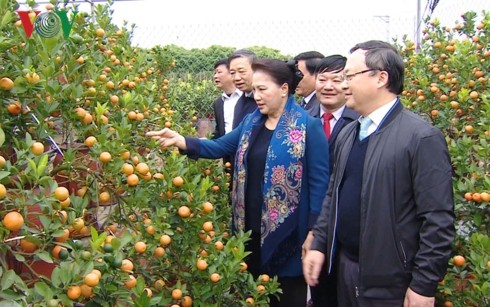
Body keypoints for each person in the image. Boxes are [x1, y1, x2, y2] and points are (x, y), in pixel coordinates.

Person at [147, 59, 330, 307]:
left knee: (285, 297)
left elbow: (320, 185)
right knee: (251, 295)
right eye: (254, 90)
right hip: (248, 230)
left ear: (284, 89)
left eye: (263, 89)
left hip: (288, 237)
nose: (256, 96)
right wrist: (183, 141)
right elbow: (220, 146)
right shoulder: (251, 123)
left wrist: (313, 233)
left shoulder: (309, 127)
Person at [303, 40, 455, 307]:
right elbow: (333, 195)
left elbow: (437, 219)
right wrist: (319, 243)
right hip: (346, 267)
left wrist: (423, 284)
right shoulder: (350, 133)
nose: (343, 84)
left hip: (391, 280)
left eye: (349, 76)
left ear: (381, 78)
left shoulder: (420, 138)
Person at [303, 55, 359, 307]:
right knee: (319, 288)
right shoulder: (302, 118)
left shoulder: (360, 120)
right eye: (322, 79)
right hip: (312, 217)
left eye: (336, 80)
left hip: (346, 222)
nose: (328, 86)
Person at [212, 58, 242, 138]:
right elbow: (219, 130)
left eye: (219, 72)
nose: (215, 76)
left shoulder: (248, 97)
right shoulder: (218, 103)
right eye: (215, 73)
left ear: (231, 73)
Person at [228, 49, 258, 129]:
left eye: (241, 71)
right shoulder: (239, 103)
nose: (236, 78)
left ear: (256, 70)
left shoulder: (268, 101)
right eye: (232, 73)